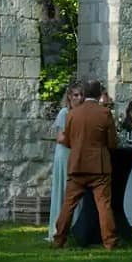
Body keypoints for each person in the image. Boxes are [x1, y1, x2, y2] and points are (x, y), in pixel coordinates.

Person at [51, 80, 122, 250]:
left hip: (77, 165)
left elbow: (66, 141)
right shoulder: (105, 113)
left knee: (68, 204)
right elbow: (112, 143)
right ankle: (109, 242)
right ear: (99, 95)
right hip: (99, 167)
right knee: (104, 205)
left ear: (85, 93)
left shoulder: (73, 113)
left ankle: (59, 239)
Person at [44, 84, 81, 242]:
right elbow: (60, 137)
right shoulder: (64, 113)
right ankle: (58, 227)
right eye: (76, 95)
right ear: (69, 97)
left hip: (74, 153)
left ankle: (74, 226)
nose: (78, 98)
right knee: (64, 189)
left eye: (81, 95)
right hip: (64, 153)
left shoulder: (79, 113)